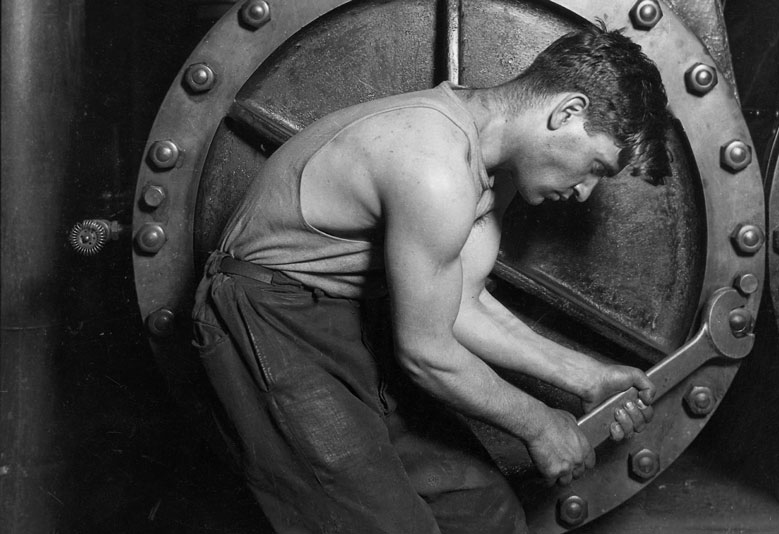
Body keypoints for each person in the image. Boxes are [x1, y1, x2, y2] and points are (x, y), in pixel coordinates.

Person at [193, 23, 670, 534]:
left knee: (486, 514)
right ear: (567, 111)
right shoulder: (434, 164)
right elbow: (424, 350)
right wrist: (539, 425)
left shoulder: (488, 166)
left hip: (350, 322)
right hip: (268, 320)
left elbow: (461, 303)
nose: (585, 193)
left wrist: (588, 377)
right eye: (595, 165)